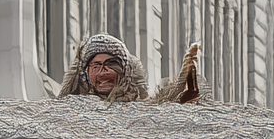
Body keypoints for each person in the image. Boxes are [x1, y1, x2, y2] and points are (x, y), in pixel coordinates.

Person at [57, 31, 201, 103]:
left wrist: (184, 79)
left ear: (125, 71)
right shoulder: (77, 107)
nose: (103, 71)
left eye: (111, 64)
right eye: (96, 66)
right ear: (86, 73)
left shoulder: (140, 109)